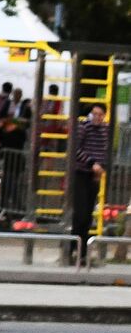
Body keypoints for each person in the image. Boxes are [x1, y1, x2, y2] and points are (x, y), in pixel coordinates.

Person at [71, 103, 110, 264]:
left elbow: (105, 151)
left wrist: (100, 169)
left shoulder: (105, 130)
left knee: (87, 216)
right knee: (79, 214)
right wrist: (92, 163)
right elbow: (76, 149)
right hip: (81, 173)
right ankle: (71, 247)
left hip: (94, 175)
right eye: (94, 114)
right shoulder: (83, 127)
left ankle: (82, 252)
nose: (97, 118)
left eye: (100, 115)